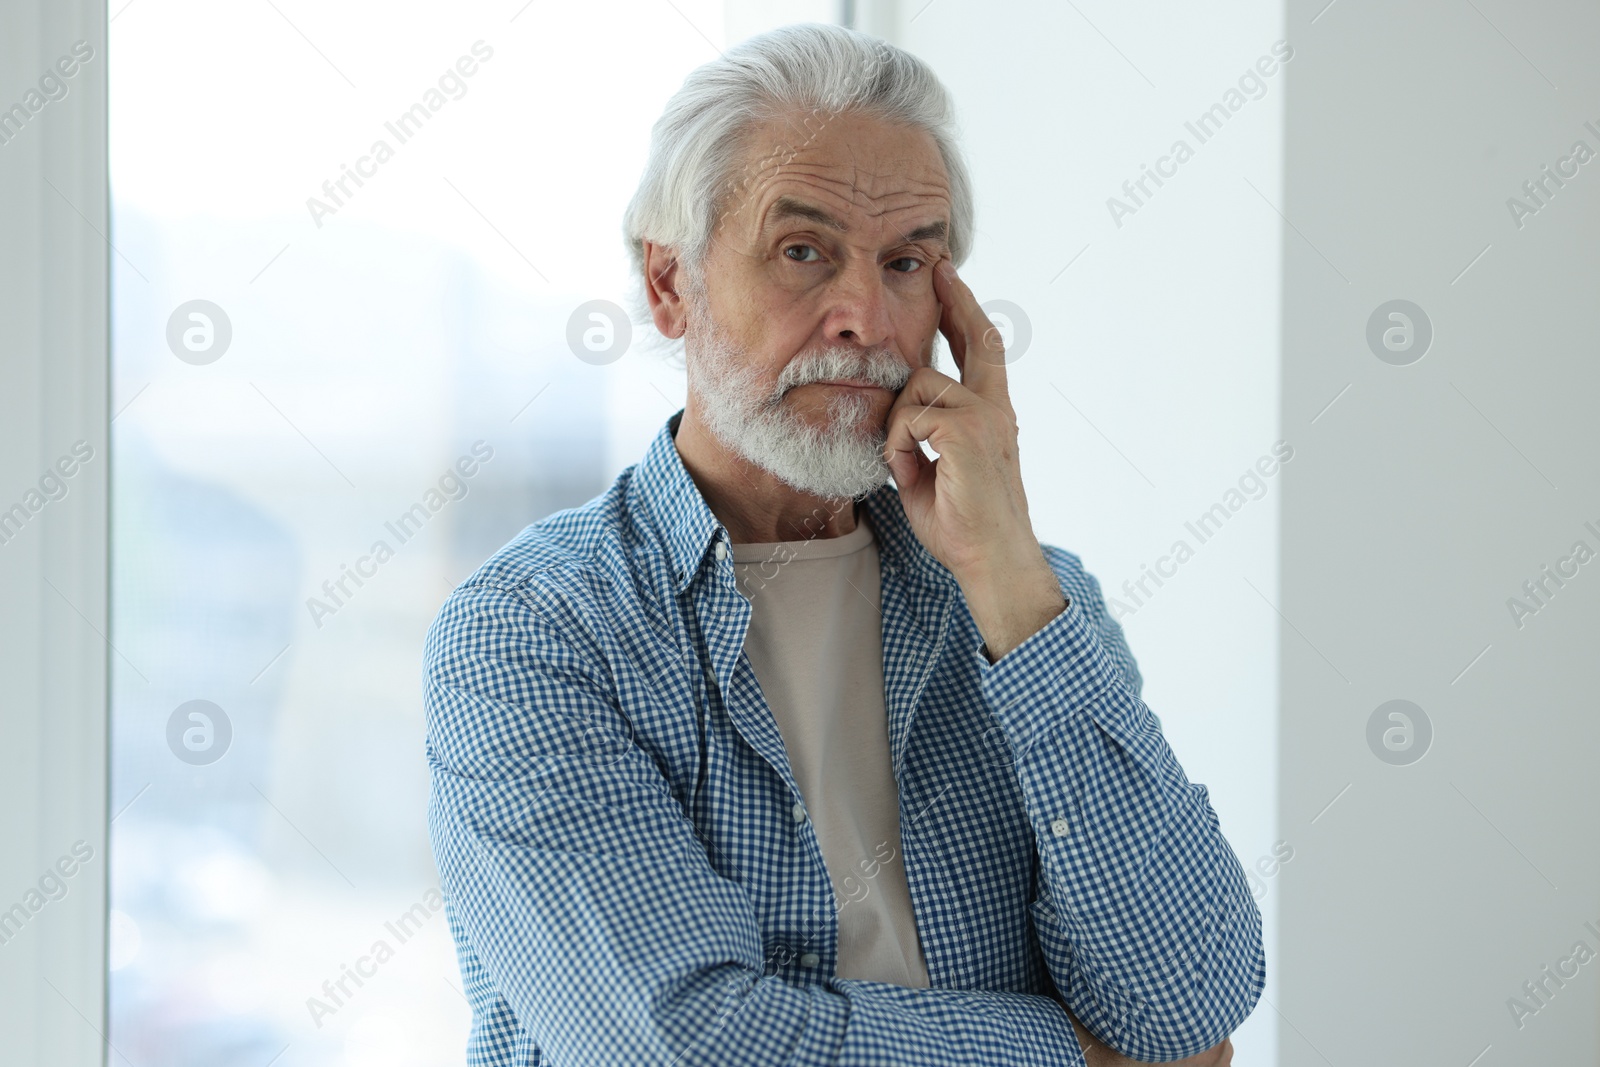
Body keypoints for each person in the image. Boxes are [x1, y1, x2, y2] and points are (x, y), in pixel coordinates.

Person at [424, 23, 1261, 1065]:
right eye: (803, 250)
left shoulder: (1031, 602)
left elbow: (1188, 1008)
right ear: (669, 285)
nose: (864, 315)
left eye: (907, 261)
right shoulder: (534, 631)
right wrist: (1081, 1056)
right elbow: (684, 1044)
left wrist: (1010, 581)